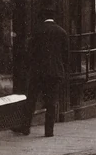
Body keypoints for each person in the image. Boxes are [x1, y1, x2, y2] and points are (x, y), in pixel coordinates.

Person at [14, 8, 68, 137]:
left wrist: (28, 67)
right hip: (55, 73)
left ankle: (25, 127)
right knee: (51, 102)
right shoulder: (62, 32)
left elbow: (30, 52)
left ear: (43, 17)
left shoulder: (37, 31)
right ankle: (49, 131)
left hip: (38, 72)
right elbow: (66, 56)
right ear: (53, 17)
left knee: (31, 100)